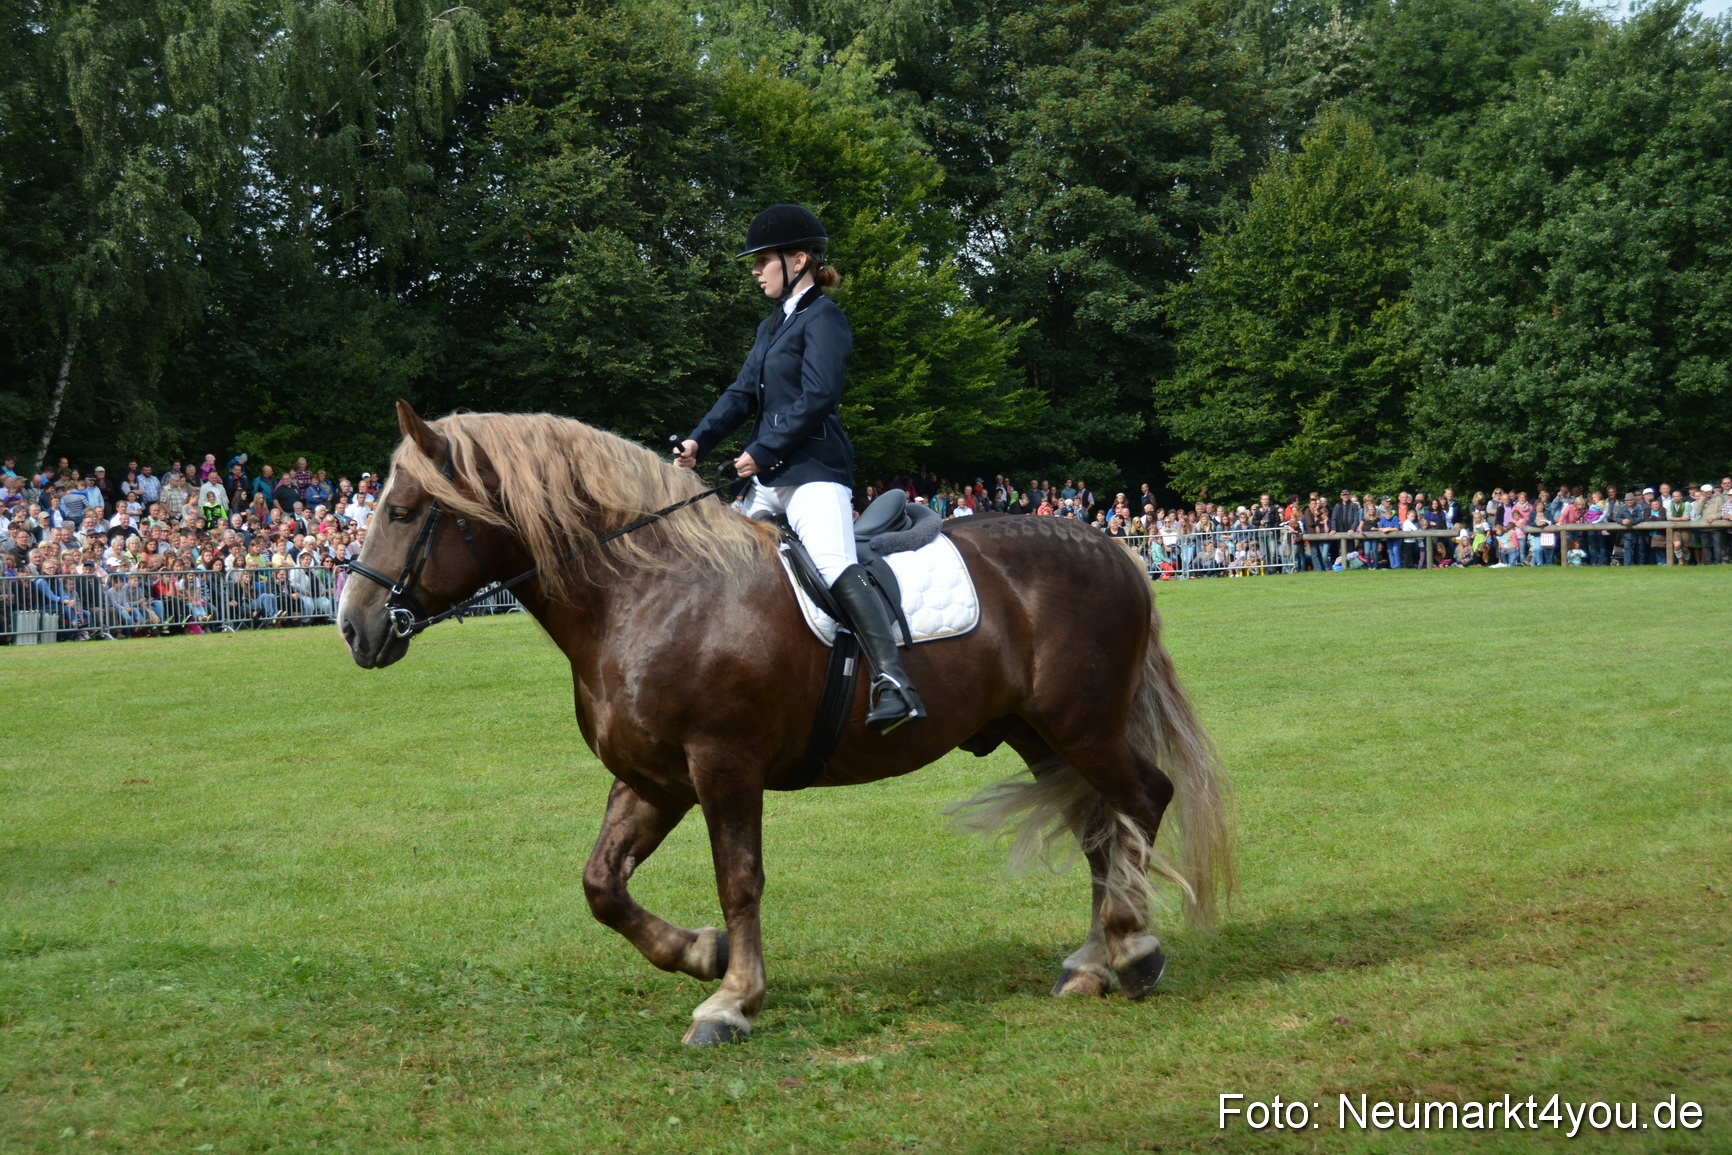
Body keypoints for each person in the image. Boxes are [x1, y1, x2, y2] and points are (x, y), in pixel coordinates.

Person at [676, 204, 924, 733]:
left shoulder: (825, 319)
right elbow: (742, 393)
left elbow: (817, 397)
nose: (755, 269)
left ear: (799, 259)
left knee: (833, 564)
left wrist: (760, 452)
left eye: (763, 259)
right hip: (768, 482)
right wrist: (699, 438)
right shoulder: (773, 326)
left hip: (813, 472)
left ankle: (894, 680)